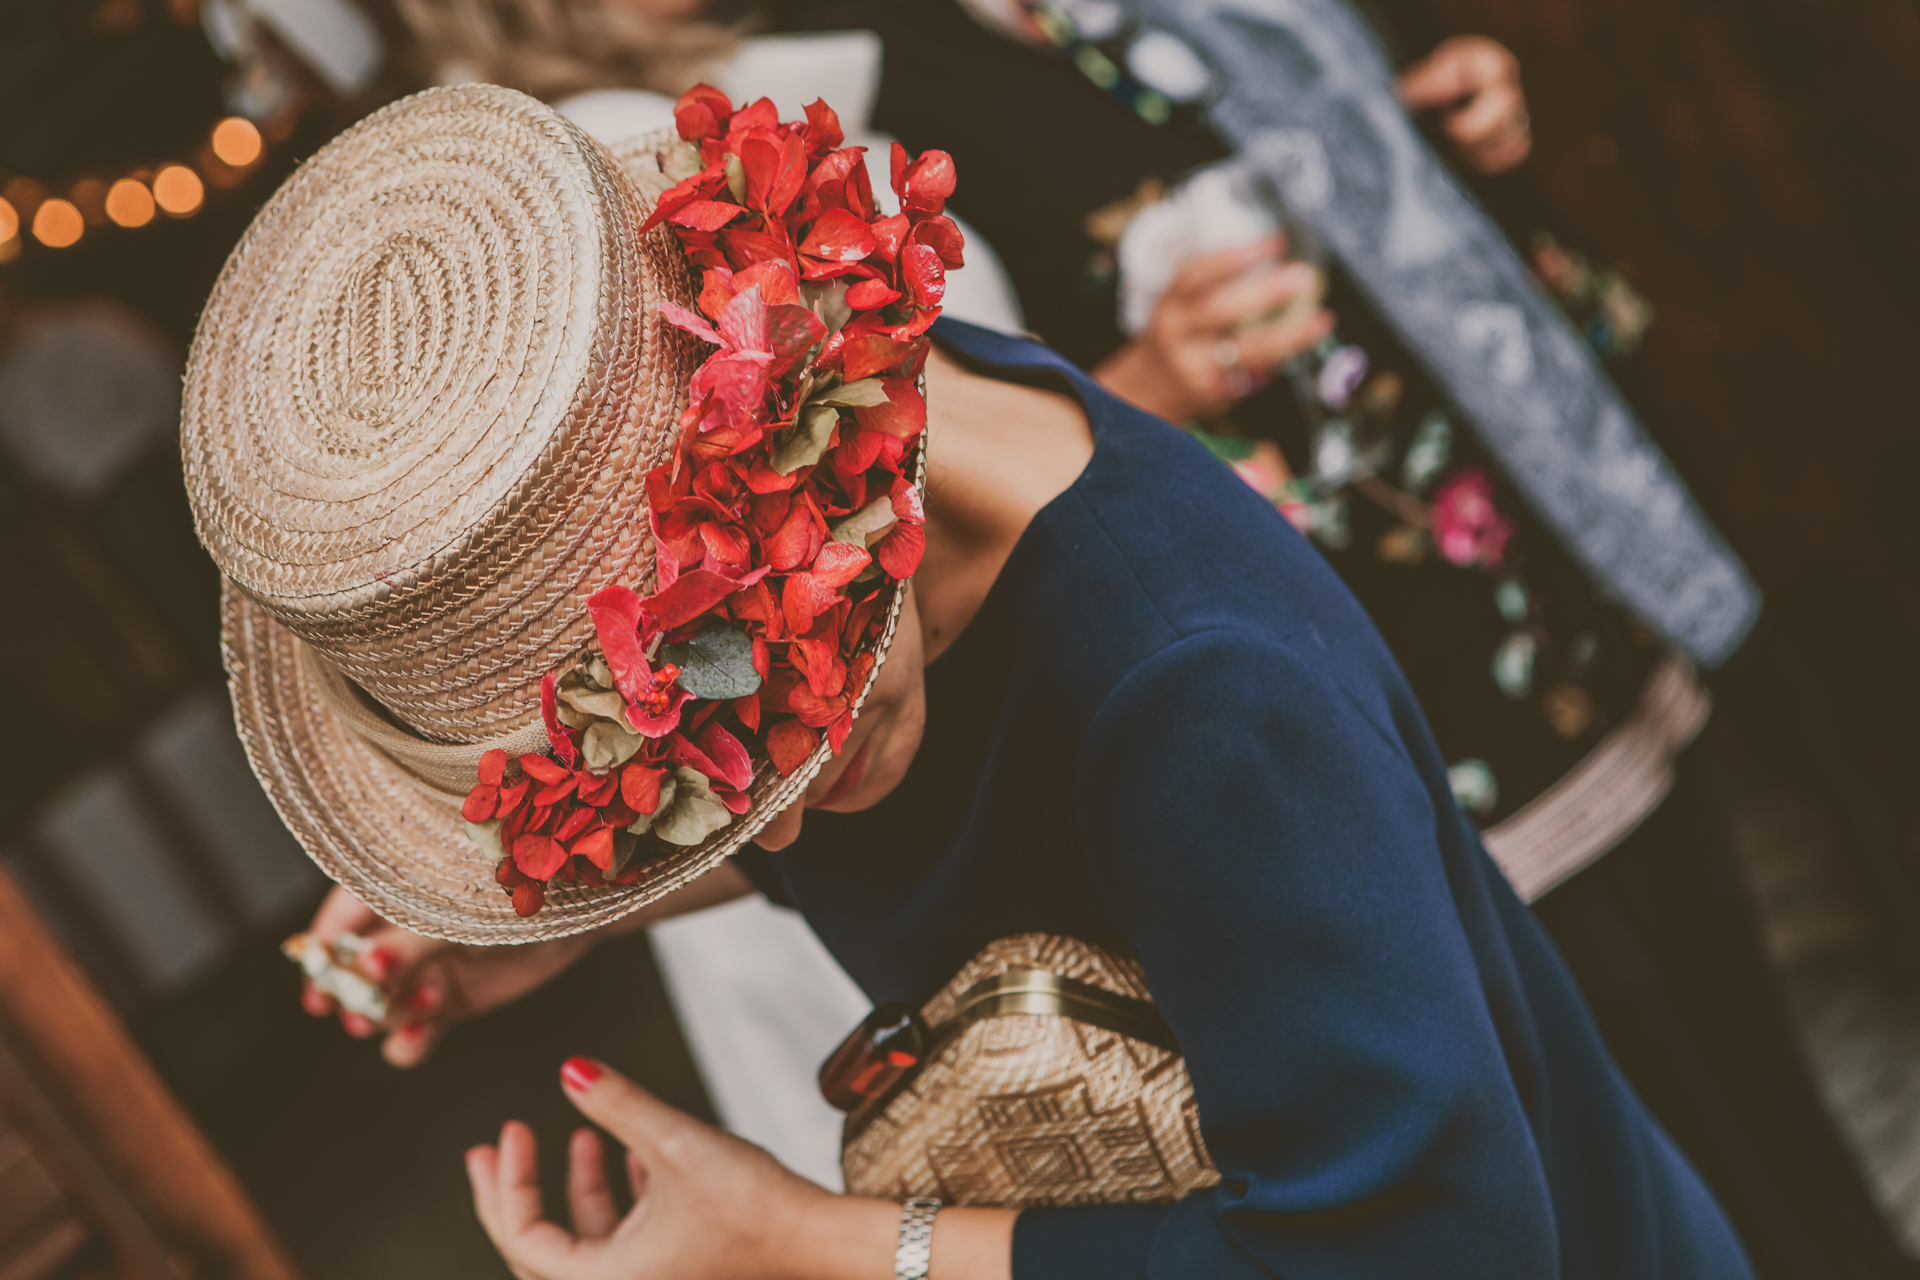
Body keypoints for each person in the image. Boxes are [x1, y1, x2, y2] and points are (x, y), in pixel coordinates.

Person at [186, 85, 1757, 1277]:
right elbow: (968, 808)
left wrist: (816, 1243)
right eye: (688, 792)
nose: (779, 839)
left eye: (760, 749)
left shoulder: (1194, 692)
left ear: (799, 447)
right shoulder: (917, 439)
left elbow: (1437, 1244)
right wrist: (591, 915)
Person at [766, 1, 1918, 1274]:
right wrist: (1148, 375)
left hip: (1524, 600)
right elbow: (982, 481)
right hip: (1318, 705)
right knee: (1596, 1123)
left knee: (1757, 1079)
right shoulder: (858, 87)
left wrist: (1434, 123)